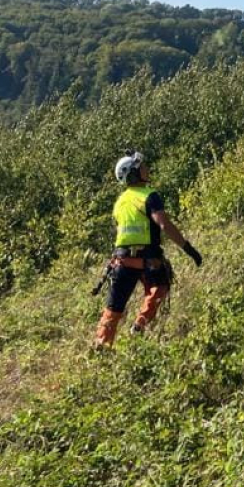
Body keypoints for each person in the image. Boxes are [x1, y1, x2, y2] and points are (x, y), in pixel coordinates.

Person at [93, 150, 203, 349]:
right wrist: (188, 248)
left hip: (121, 261)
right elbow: (164, 225)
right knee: (159, 288)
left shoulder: (120, 202)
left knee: (113, 308)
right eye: (141, 166)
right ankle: (139, 326)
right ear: (134, 173)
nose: (146, 168)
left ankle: (100, 347)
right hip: (148, 260)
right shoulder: (149, 196)